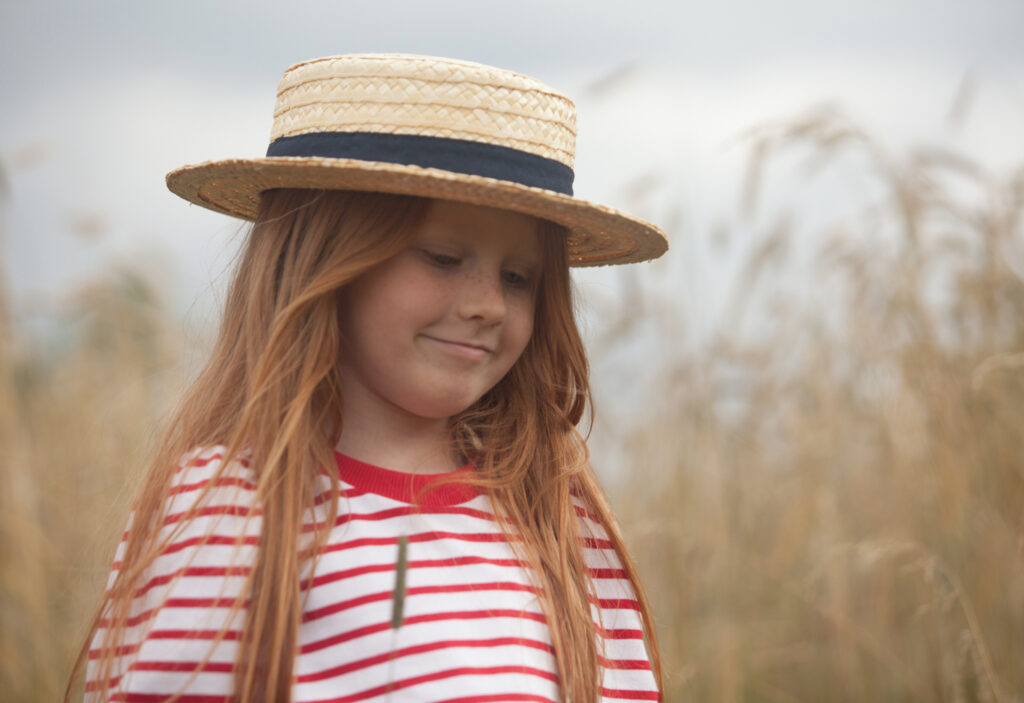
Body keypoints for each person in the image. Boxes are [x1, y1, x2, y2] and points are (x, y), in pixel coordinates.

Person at [73, 54, 668, 703]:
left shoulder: (560, 521)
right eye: (443, 258)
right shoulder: (230, 512)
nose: (487, 304)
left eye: (518, 277)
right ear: (326, 257)